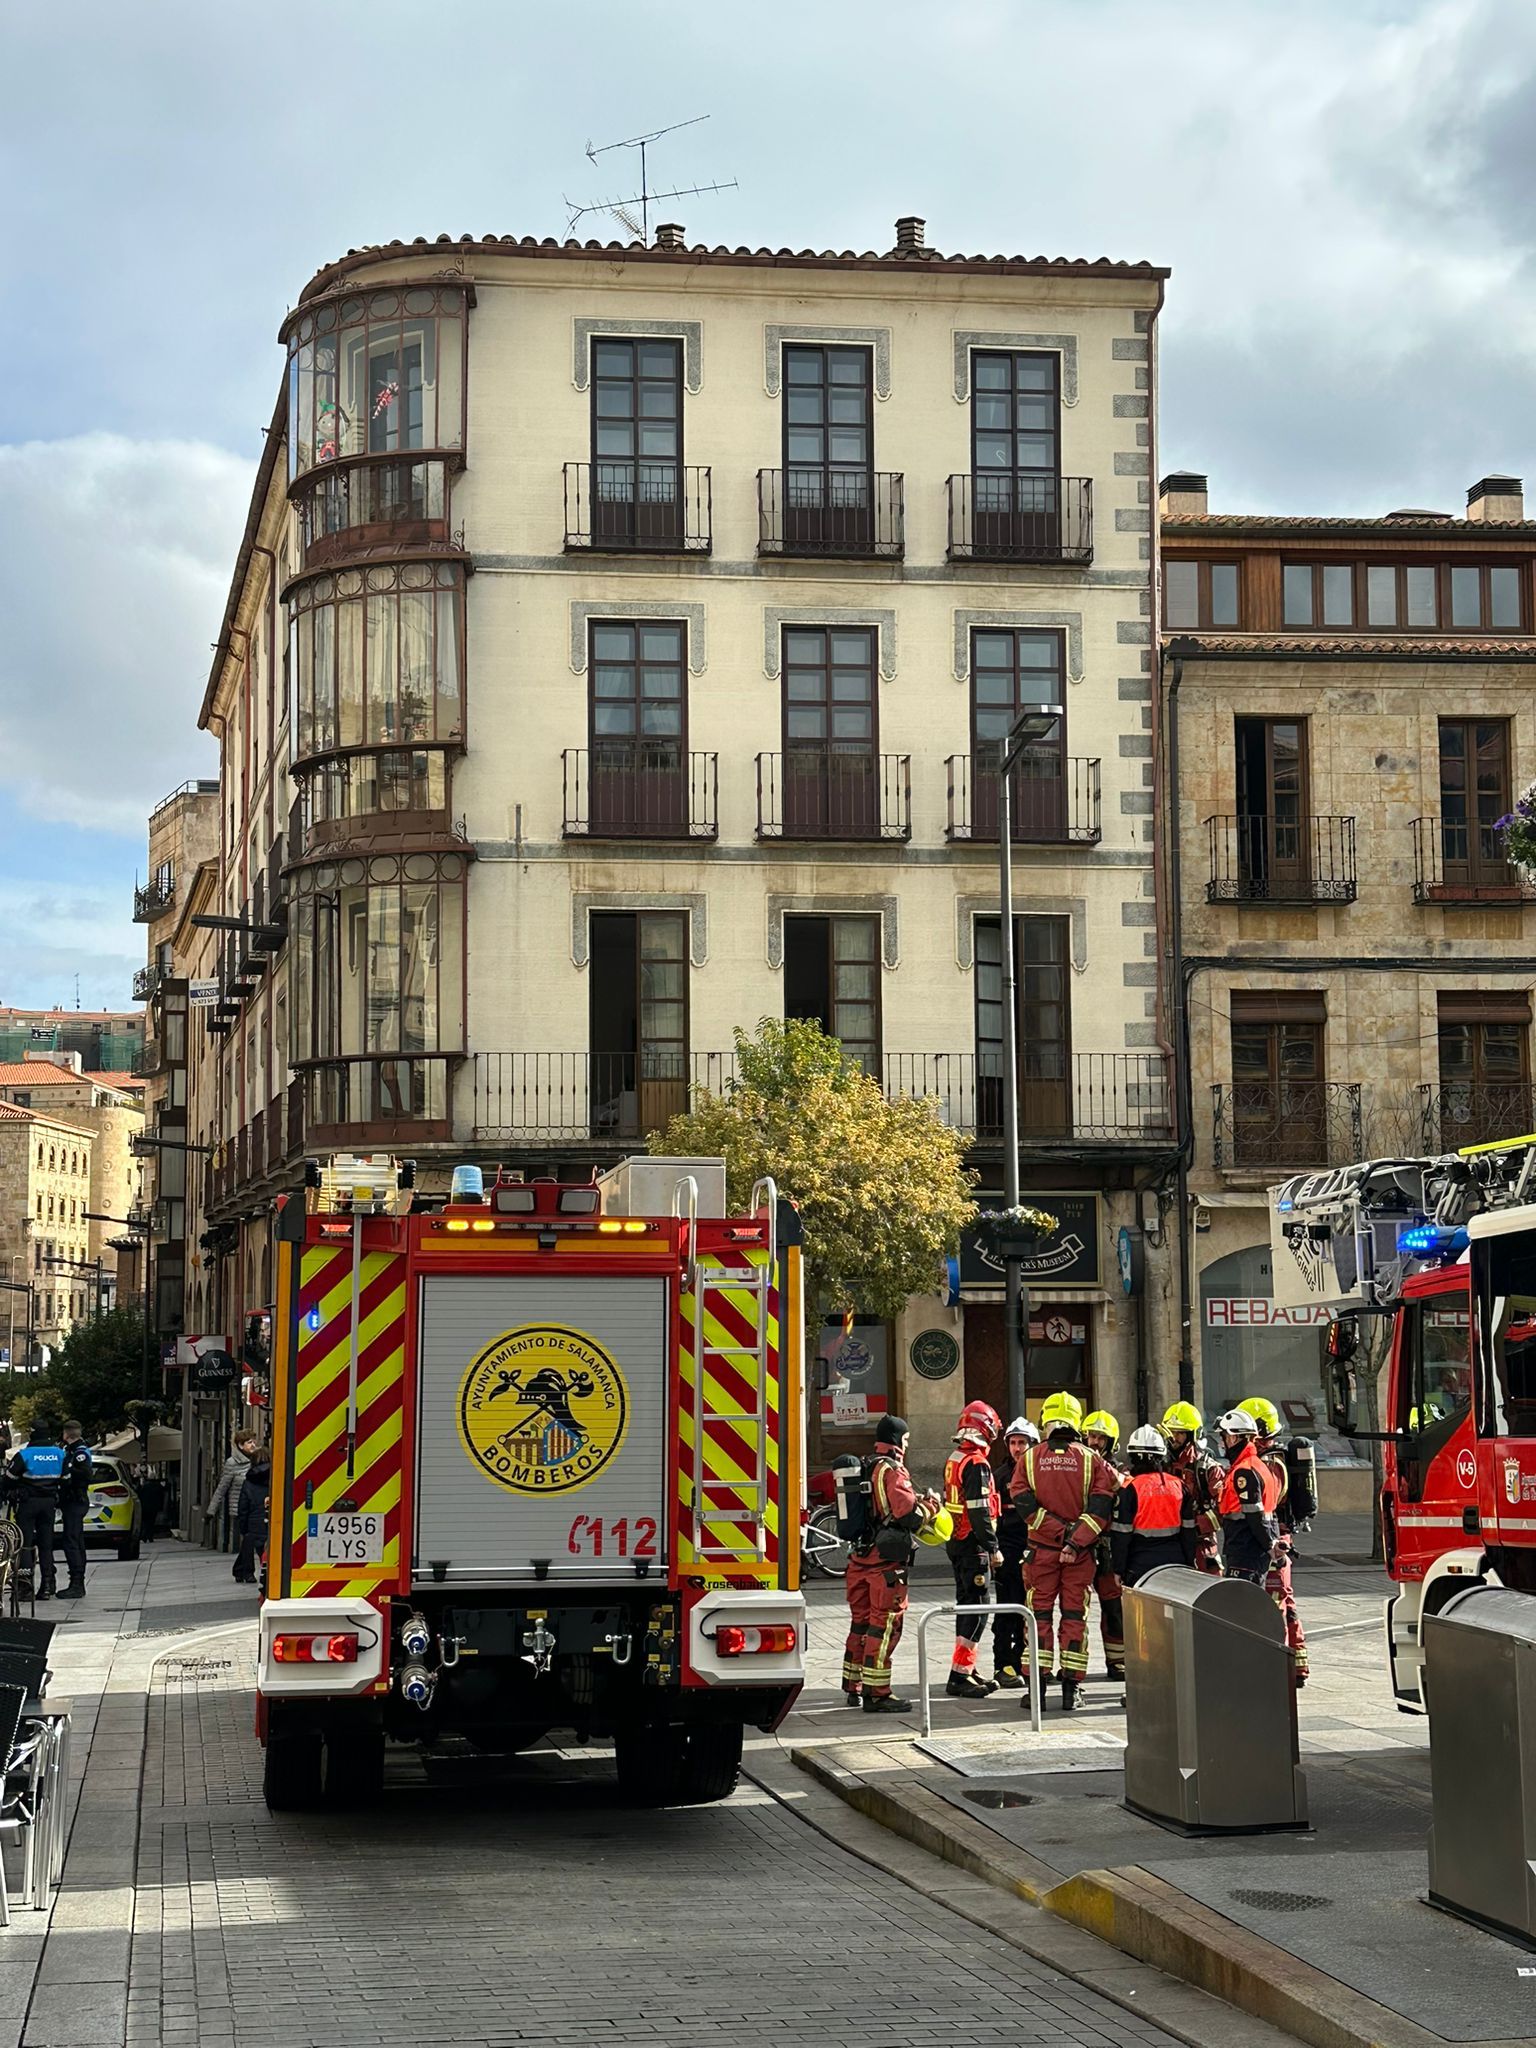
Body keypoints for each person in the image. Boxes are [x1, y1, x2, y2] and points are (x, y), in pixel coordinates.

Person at [1012, 1391, 1118, 1711]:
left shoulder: (1029, 1458)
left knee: (1038, 1617)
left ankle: (1037, 1692)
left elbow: (1022, 1501)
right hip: (1080, 1556)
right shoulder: (1091, 1459)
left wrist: (1056, 1534)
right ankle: (1071, 1691)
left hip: (1040, 1553)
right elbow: (1103, 1506)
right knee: (1075, 1618)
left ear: (1045, 1420)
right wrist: (1073, 1540)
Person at [842, 1415, 936, 1715]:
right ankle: (878, 1693)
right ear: (897, 1441)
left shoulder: (866, 1465)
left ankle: (853, 1686)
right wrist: (931, 1507)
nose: (906, 1446)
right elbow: (909, 1514)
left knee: (860, 1623)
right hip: (884, 1565)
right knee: (884, 1627)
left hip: (859, 1560)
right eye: (905, 1441)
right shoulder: (893, 1470)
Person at [1239, 1396, 1310, 1686]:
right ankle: (1296, 1665)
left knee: (1277, 1599)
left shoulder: (1273, 1463)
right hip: (1274, 1535)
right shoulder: (1266, 1461)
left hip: (1275, 1536)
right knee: (1284, 1598)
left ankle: (1281, 1664)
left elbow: (1269, 1502)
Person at [942, 1400, 1003, 1698]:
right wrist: (993, 1547)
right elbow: (979, 1510)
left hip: (956, 1541)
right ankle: (960, 1676)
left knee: (967, 1606)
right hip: (973, 1544)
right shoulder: (977, 1463)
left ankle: (966, 1669)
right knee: (977, 1610)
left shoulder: (956, 1457)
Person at [1109, 1424, 1197, 1586]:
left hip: (1140, 1566)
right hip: (1175, 1562)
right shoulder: (1179, 1485)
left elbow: (1121, 1536)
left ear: (1133, 1456)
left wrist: (1118, 1569)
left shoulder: (1129, 1489)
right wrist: (1189, 1562)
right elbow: (1189, 1532)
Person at [992, 1417, 1038, 1689]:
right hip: (1008, 1547)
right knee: (1007, 1606)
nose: (1017, 1448)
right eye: (1013, 1442)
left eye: (1022, 1442)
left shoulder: (1039, 1473)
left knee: (1030, 1607)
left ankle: (1024, 1661)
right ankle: (1003, 1664)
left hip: (1034, 1546)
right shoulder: (999, 1476)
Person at [1214, 1408, 1281, 1584]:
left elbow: (1254, 1514)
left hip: (1245, 1548)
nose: (1222, 1444)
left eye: (1223, 1438)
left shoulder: (1244, 1471)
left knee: (1242, 1604)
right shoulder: (1255, 1465)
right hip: (1250, 1547)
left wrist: (1269, 1546)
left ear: (1233, 1438)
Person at [1082, 1409, 1125, 1681]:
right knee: (1077, 1609)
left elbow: (1123, 1495)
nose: (1094, 1442)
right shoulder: (1078, 1469)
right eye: (1091, 1436)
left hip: (1108, 1547)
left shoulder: (1119, 1471)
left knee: (1114, 1609)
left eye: (1100, 1438)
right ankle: (1074, 1667)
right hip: (1083, 1545)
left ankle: (1118, 1661)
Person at [6, 1421, 66, 1602]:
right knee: (46, 1545)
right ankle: (47, 1585)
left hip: (27, 1502)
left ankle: (25, 1587)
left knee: (24, 1544)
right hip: (49, 1503)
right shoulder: (59, 1454)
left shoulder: (24, 1454)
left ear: (32, 1434)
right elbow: (67, 1478)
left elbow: (9, 1479)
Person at [1161, 1401, 1222, 1572]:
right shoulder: (1161, 1467)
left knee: (1207, 1595)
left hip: (1201, 1546)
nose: (1174, 1437)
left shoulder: (1208, 1469)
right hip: (1169, 1543)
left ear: (1192, 1434)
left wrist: (1193, 1528)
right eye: (1171, 1431)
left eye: (1180, 1433)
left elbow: (1222, 1510)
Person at [208, 1430, 256, 1575]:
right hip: (239, 1509)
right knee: (248, 1540)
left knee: (249, 1541)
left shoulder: (258, 1459)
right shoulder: (232, 1463)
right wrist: (211, 1510)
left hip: (256, 1507)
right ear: (241, 1446)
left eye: (254, 1441)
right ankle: (247, 1572)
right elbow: (222, 1487)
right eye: (249, 1442)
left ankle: (239, 1569)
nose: (253, 1445)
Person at [57, 1421, 93, 1601]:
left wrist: (68, 1474)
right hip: (72, 1501)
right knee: (74, 1539)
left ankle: (77, 1584)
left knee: (72, 1540)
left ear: (66, 1434)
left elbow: (85, 1473)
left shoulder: (79, 1452)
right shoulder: (72, 1450)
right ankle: (77, 1582)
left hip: (75, 1500)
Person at [234, 1440, 271, 1587]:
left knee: (249, 1546)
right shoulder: (277, 1477)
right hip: (271, 1521)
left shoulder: (249, 1482)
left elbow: (243, 1507)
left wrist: (243, 1526)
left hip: (253, 1523)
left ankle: (247, 1572)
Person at [137, 1465, 165, 1544]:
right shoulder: (158, 1487)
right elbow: (161, 1497)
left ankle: (144, 1536)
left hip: (145, 1507)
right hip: (154, 1507)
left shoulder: (145, 1487)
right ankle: (149, 1536)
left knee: (145, 1522)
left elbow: (140, 1495)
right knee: (151, 1522)